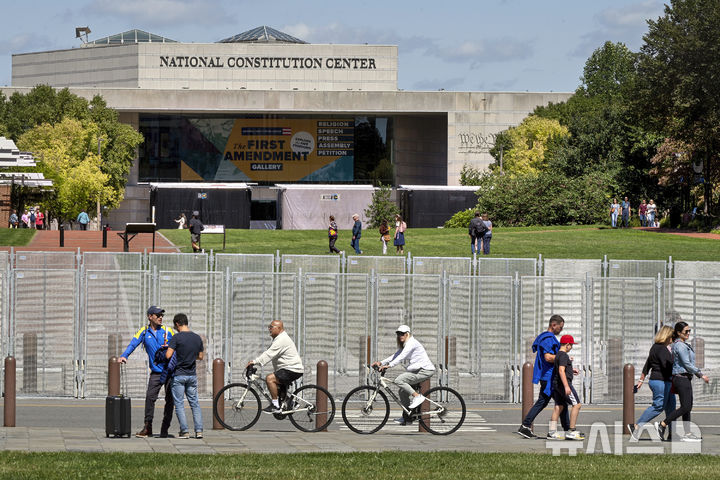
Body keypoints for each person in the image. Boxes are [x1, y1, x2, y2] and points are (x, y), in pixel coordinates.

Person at [119, 305, 175, 438]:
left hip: (169, 371)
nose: (161, 317)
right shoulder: (144, 332)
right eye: (158, 315)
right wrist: (124, 356)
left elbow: (178, 346)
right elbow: (133, 343)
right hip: (156, 372)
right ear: (150, 317)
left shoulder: (168, 331)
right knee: (150, 398)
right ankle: (147, 427)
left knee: (170, 400)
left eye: (162, 315)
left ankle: (164, 429)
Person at [517, 314, 570, 438]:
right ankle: (567, 429)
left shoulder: (545, 337)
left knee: (546, 402)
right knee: (560, 402)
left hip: (548, 376)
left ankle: (525, 426)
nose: (561, 330)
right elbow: (548, 357)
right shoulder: (548, 339)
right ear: (553, 325)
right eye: (560, 327)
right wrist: (563, 359)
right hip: (549, 377)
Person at [655, 322, 709, 442]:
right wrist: (700, 374)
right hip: (681, 378)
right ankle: (662, 424)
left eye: (689, 331)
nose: (688, 333)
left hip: (685, 378)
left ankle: (688, 433)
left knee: (687, 407)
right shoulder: (679, 346)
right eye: (686, 331)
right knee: (686, 407)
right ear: (679, 333)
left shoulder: (683, 345)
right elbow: (687, 364)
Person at [371, 324, 435, 426]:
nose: (400, 336)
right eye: (398, 334)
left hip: (425, 370)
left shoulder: (411, 343)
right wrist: (381, 362)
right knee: (402, 391)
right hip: (417, 370)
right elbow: (396, 355)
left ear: (407, 334)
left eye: (402, 334)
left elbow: (402, 357)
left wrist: (389, 366)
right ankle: (407, 417)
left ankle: (417, 397)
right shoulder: (406, 344)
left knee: (399, 380)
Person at [628, 325, 676, 440]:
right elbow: (666, 366)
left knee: (671, 408)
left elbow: (647, 364)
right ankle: (636, 427)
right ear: (667, 336)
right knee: (658, 406)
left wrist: (641, 379)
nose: (673, 339)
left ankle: (672, 434)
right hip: (661, 381)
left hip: (663, 381)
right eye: (672, 336)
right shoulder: (662, 349)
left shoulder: (655, 347)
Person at [246, 320, 304, 413]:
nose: (269, 329)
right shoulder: (278, 339)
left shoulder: (282, 339)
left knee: (270, 379)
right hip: (288, 369)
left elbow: (269, 354)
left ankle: (275, 405)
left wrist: (254, 362)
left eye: (271, 327)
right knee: (276, 386)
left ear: (279, 328)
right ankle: (291, 403)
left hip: (292, 369)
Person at [166, 313, 204, 439]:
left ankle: (185, 431)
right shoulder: (197, 338)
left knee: (179, 404)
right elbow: (201, 357)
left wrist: (171, 349)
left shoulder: (177, 338)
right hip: (192, 375)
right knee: (195, 403)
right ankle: (199, 431)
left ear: (177, 323)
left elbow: (168, 355)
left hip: (179, 375)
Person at [547, 335, 584, 440]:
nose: (571, 347)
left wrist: (572, 370)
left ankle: (552, 432)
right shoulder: (564, 356)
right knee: (577, 405)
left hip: (557, 384)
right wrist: (566, 386)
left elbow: (561, 369)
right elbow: (561, 370)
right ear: (567, 345)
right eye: (571, 345)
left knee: (559, 407)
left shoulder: (558, 355)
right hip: (564, 385)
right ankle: (571, 431)